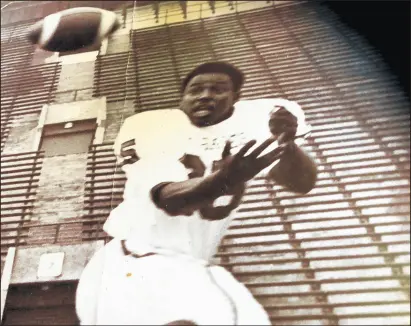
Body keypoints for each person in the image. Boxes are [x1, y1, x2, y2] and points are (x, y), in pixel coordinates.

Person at [76, 62, 317, 325]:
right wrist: (227, 178)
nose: (205, 95)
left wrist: (288, 145)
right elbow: (170, 199)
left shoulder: (246, 134)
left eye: (217, 89)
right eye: (196, 89)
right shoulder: (152, 128)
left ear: (236, 97)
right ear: (182, 98)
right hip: (136, 261)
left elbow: (302, 184)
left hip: (186, 264)